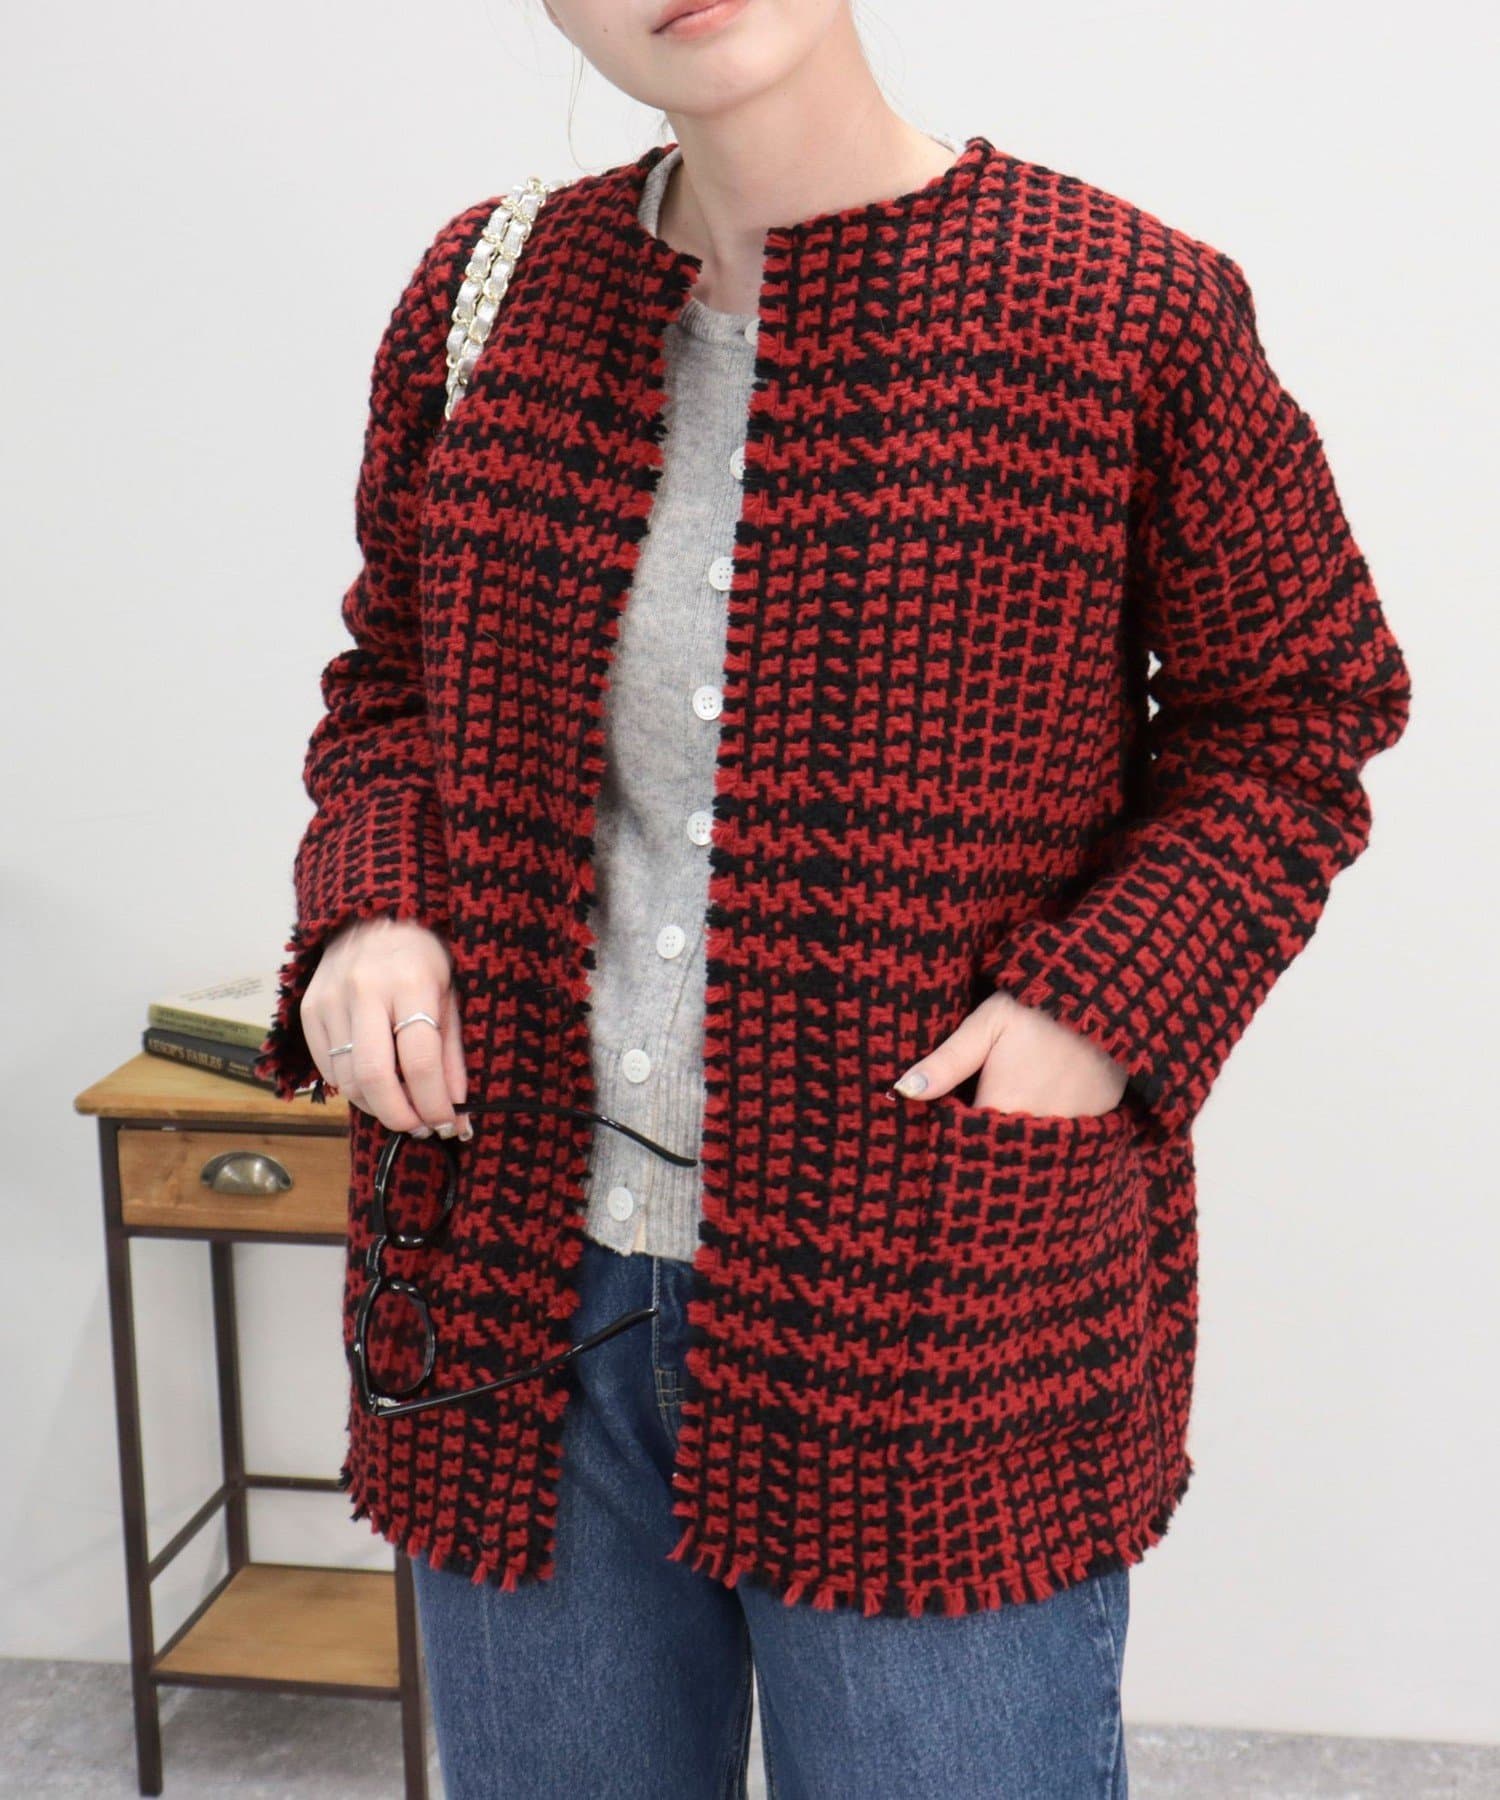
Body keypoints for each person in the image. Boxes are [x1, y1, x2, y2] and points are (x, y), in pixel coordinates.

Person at [254, 2, 1412, 1794]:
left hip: (928, 1308)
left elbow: (1302, 711)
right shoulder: (486, 295)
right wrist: (375, 903)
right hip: (508, 1298)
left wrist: (1100, 1009)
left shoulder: (1121, 309)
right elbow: (391, 681)